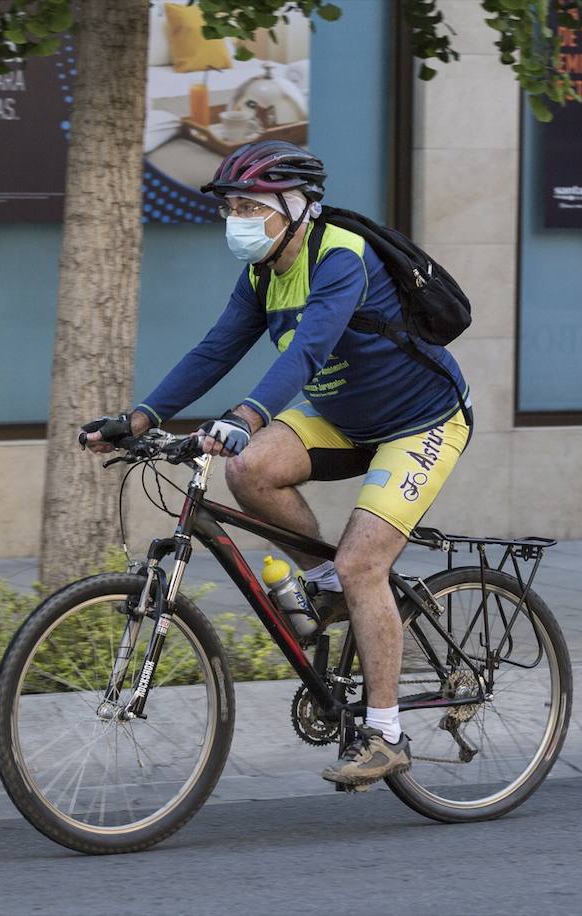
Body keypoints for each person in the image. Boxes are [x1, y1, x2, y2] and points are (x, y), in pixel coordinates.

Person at [81, 140, 471, 788]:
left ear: (295, 206)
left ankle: (386, 733)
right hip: (343, 416)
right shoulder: (262, 272)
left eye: (247, 204)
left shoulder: (342, 254)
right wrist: (141, 417)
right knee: (249, 472)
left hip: (421, 422)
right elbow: (215, 350)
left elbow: (307, 353)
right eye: (230, 205)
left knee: (362, 563)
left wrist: (246, 417)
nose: (234, 217)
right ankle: (329, 588)